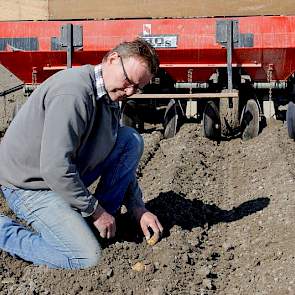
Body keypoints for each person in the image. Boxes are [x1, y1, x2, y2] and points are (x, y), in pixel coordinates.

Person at [0, 38, 163, 269]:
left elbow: (115, 152)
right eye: (128, 81)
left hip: (66, 174)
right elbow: (54, 168)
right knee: (85, 257)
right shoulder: (73, 93)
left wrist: (137, 207)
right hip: (30, 184)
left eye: (137, 88)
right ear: (112, 59)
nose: (129, 91)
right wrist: (95, 211)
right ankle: (4, 233)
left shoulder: (110, 95)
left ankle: (95, 223)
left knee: (130, 140)